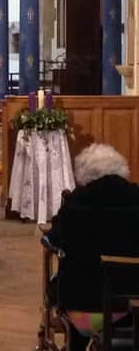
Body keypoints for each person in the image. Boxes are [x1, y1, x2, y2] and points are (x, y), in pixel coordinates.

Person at [47, 144, 139, 350]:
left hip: (80, 306)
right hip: (129, 306)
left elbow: (54, 240)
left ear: (82, 173)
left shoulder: (74, 203)